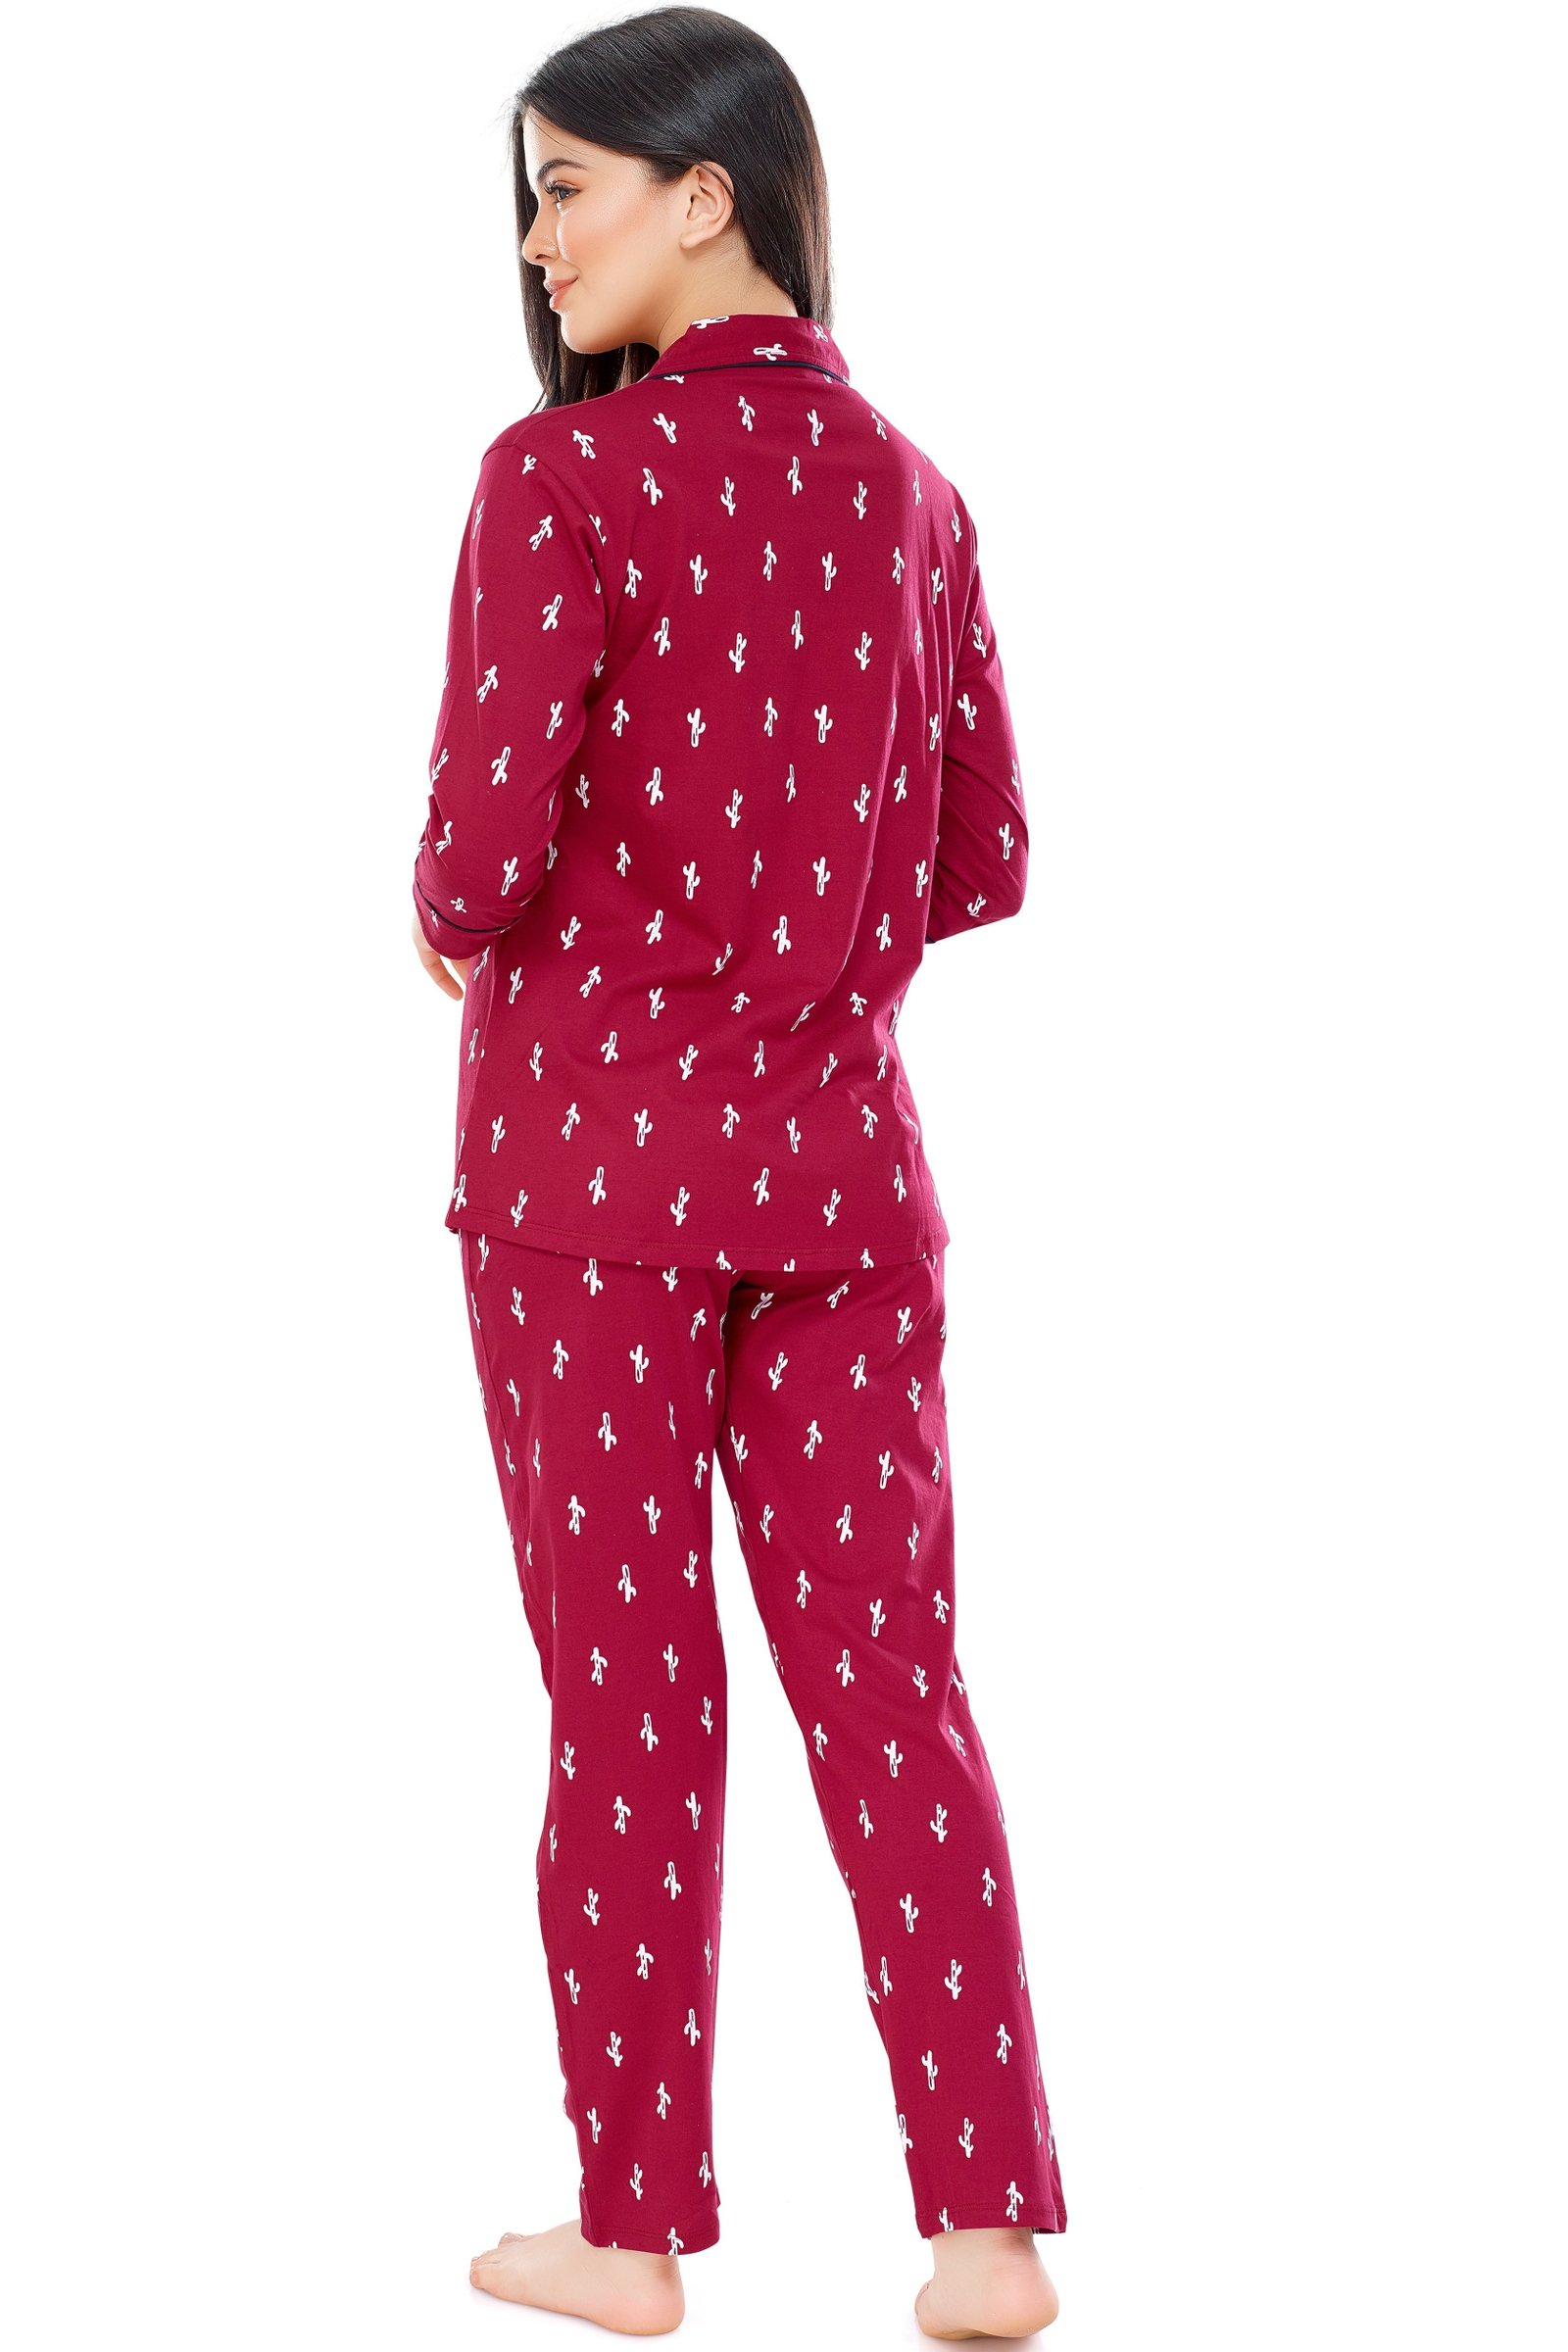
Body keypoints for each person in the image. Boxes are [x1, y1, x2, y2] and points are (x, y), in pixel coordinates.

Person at [411, 9, 1066, 2336]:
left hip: (589, 1188)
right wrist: (799, 930)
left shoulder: (557, 480)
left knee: (630, 1697)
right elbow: (984, 855)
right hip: (844, 1184)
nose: (534, 236)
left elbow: (475, 860)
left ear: (706, 195)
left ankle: (632, 2232)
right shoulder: (915, 493)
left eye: (565, 185)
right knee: (891, 1685)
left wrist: (469, 929)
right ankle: (984, 2232)